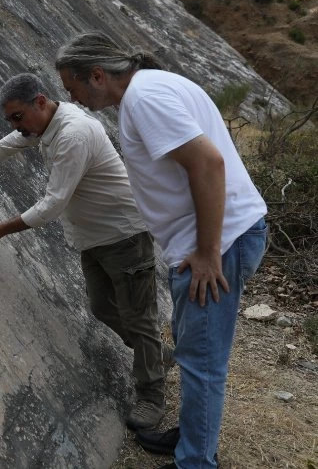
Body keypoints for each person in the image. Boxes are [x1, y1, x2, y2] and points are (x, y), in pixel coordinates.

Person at [55, 32, 268, 469]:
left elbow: (207, 162)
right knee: (193, 352)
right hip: (213, 238)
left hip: (216, 244)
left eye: (72, 88)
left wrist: (209, 251)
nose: (72, 99)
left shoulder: (143, 99)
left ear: (98, 75)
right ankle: (192, 438)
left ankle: (195, 461)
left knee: (203, 363)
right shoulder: (155, 85)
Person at [0, 73, 169, 430]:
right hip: (93, 236)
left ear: (40, 101)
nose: (15, 126)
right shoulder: (44, 124)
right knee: (102, 307)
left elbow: (52, 204)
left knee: (139, 317)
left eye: (17, 116)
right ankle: (155, 356)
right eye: (10, 119)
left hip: (124, 235)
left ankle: (151, 394)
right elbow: (14, 140)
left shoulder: (74, 133)